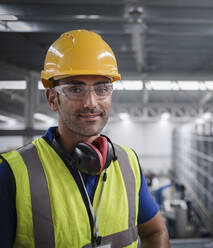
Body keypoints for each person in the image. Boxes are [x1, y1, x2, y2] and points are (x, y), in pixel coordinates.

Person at [0, 30, 169, 248]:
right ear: (52, 98)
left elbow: (156, 231)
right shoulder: (11, 174)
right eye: (75, 89)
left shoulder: (128, 163)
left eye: (102, 88)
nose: (91, 102)